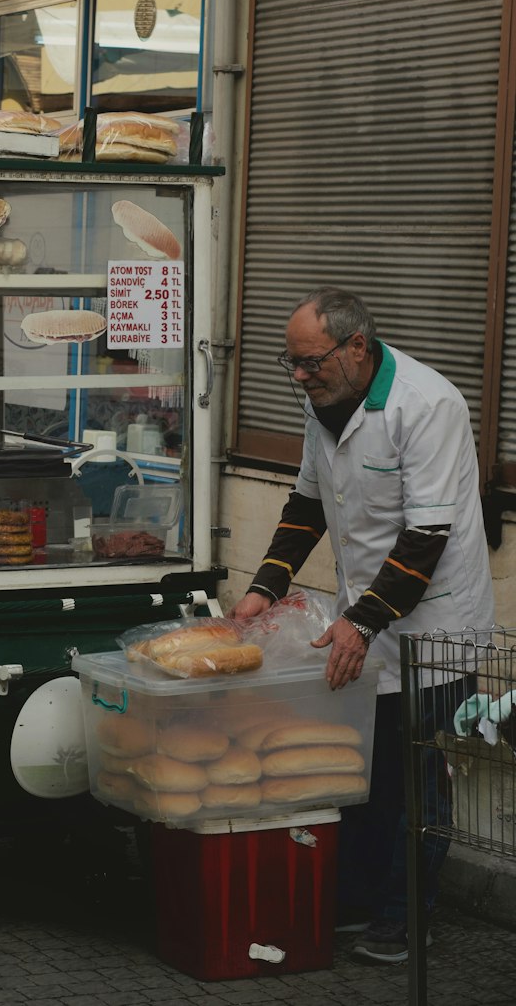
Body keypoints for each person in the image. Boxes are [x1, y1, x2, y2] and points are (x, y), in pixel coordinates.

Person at [230, 287, 494, 965]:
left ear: (357, 346)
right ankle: (357, 900)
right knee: (365, 771)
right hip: (366, 620)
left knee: (419, 780)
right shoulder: (319, 400)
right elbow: (306, 502)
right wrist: (265, 585)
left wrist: (361, 619)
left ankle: (405, 918)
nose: (298, 375)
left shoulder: (427, 405)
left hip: (434, 623)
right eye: (288, 362)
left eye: (310, 361)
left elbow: (426, 532)